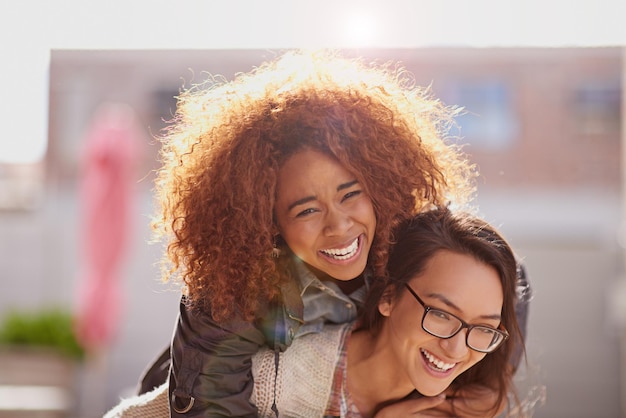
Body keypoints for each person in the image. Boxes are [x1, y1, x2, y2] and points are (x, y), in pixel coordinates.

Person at [137, 49, 527, 417]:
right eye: (306, 209)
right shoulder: (232, 288)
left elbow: (508, 277)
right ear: (269, 221)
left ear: (378, 187)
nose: (339, 226)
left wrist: (490, 385)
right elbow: (209, 404)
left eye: (351, 195)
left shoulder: (402, 240)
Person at [105, 207, 526, 417]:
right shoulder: (267, 379)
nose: (456, 348)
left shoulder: (452, 403)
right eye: (440, 314)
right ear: (388, 297)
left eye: (483, 329)